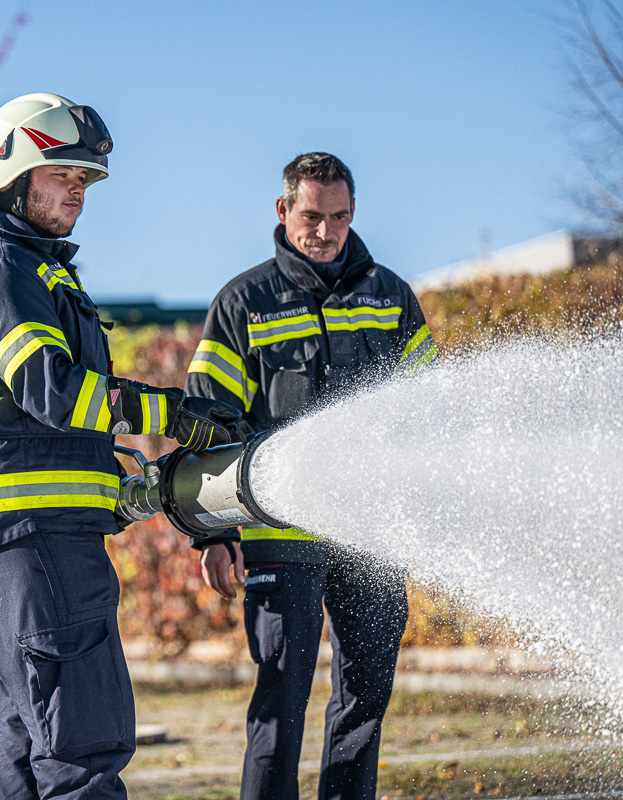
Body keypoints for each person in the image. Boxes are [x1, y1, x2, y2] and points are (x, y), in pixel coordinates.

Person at [0, 92, 246, 800]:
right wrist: (175, 415)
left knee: (30, 740)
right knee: (80, 744)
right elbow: (51, 388)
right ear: (11, 173)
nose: (76, 191)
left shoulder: (23, 266)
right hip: (35, 541)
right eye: (59, 175)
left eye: (83, 180)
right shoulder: (4, 266)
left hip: (24, 540)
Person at [185, 152, 438, 800]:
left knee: (365, 699)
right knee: (280, 707)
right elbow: (209, 422)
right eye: (312, 217)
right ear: (282, 210)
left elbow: (432, 408)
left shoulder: (391, 296)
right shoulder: (244, 303)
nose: (326, 233)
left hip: (371, 536)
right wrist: (213, 532)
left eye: (340, 218)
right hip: (279, 534)